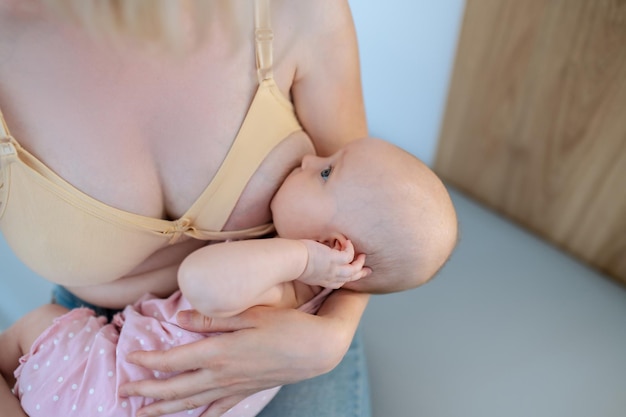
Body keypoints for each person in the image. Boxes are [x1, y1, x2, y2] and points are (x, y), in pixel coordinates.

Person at [0, 0, 451, 416]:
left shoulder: (295, 10)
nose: (313, 160)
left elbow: (375, 229)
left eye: (325, 171)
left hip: (293, 346)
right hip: (112, 351)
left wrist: (331, 336)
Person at [0, 137, 458, 417]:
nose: (307, 159)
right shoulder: (306, 307)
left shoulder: (282, 284)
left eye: (325, 171)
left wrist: (298, 256)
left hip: (104, 380)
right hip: (136, 403)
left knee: (38, 323)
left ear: (336, 247)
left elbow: (200, 282)